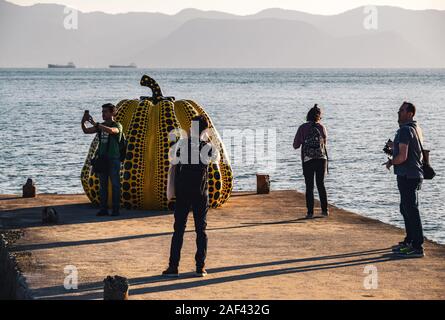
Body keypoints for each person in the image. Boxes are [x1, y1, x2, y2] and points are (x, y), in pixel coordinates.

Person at [162, 115, 219, 278]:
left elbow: (172, 160)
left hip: (183, 192)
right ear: (204, 130)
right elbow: (216, 159)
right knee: (201, 230)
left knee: (178, 229)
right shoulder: (207, 147)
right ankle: (200, 267)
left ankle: (173, 267)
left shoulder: (181, 144)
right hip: (200, 192)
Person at [384, 102, 425, 258]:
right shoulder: (416, 128)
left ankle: (417, 246)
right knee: (406, 208)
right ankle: (409, 240)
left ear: (410, 113)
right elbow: (410, 150)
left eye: (401, 110)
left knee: (410, 209)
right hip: (414, 174)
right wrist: (394, 146)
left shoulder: (405, 130)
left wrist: (390, 161)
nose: (398, 112)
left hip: (408, 175)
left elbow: (402, 157)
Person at [81, 103, 123, 217]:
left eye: (105, 112)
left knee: (115, 185)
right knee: (103, 185)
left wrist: (96, 124)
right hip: (103, 159)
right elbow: (86, 131)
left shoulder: (117, 125)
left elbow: (112, 131)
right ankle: (103, 209)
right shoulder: (101, 126)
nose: (103, 114)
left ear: (112, 113)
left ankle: (115, 210)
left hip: (113, 159)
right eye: (102, 112)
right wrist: (83, 121)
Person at [293, 104, 329, 219]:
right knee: (321, 185)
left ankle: (310, 213)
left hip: (308, 160)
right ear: (319, 117)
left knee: (309, 186)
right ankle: (324, 211)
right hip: (321, 159)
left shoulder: (303, 127)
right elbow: (324, 144)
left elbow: (295, 145)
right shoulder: (322, 127)